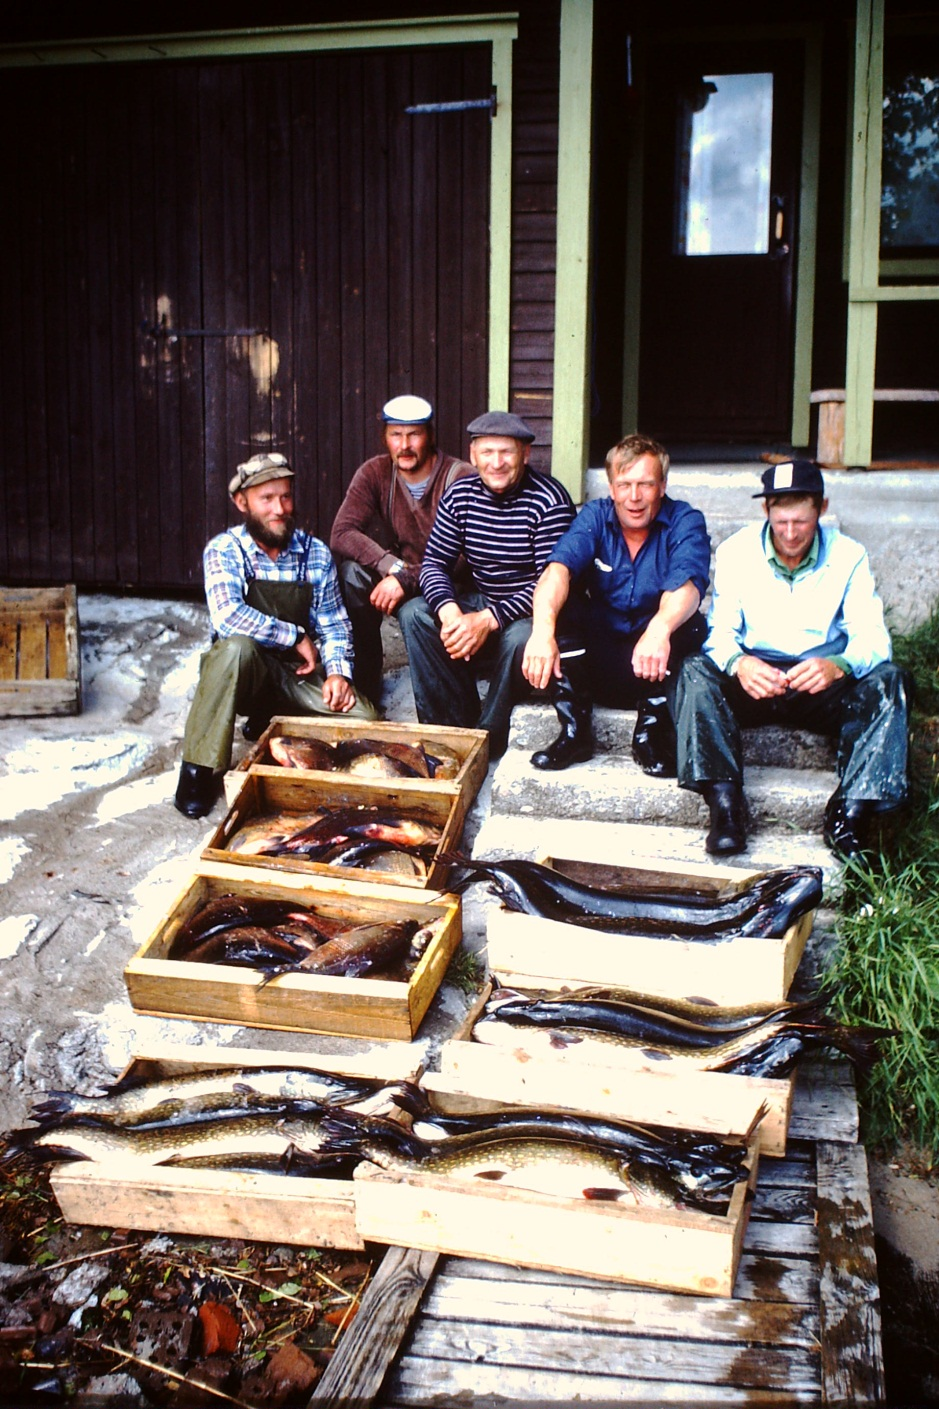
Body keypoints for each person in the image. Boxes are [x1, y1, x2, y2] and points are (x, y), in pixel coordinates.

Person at [675, 460, 908, 858]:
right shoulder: (736, 552)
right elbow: (720, 634)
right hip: (756, 678)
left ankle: (850, 814)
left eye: (801, 521)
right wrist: (738, 663)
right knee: (694, 670)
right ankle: (725, 805)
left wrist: (839, 664)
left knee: (889, 680)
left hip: (821, 681)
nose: (790, 533)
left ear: (821, 508)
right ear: (766, 511)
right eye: (781, 521)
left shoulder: (849, 555)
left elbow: (873, 638)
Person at [174, 452, 377, 820]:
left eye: (285, 496)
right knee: (234, 649)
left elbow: (334, 622)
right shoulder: (224, 550)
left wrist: (337, 673)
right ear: (242, 503)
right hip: (245, 672)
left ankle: (273, 718)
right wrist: (295, 636)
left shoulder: (314, 553)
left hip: (295, 673)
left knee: (366, 721)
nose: (279, 509)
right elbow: (228, 618)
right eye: (266, 499)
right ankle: (197, 771)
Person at [522, 432, 710, 771]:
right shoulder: (595, 516)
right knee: (563, 611)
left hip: (655, 663)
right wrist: (541, 630)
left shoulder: (685, 520)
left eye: (645, 485)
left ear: (662, 487)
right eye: (624, 485)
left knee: (691, 622)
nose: (634, 497)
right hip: (600, 663)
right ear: (611, 488)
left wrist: (659, 630)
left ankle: (651, 735)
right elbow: (558, 571)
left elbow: (689, 584)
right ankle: (574, 733)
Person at [398, 411, 581, 759]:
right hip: (485, 601)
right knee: (415, 613)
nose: (496, 463)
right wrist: (451, 614)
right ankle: (448, 731)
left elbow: (552, 581)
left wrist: (488, 619)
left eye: (506, 453)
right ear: (473, 455)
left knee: (520, 637)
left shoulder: (549, 499)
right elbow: (434, 563)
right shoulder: (460, 494)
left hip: (534, 613)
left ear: (525, 455)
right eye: (487, 452)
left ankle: (488, 736)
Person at [330, 395, 472, 705]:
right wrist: (389, 565)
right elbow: (342, 532)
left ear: (430, 436)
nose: (404, 444)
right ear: (385, 438)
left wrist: (406, 579)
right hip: (401, 573)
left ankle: (438, 703)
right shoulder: (375, 472)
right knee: (352, 575)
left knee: (413, 611)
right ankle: (365, 683)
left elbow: (465, 556)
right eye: (396, 434)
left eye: (414, 434)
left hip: (451, 584)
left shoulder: (460, 477)